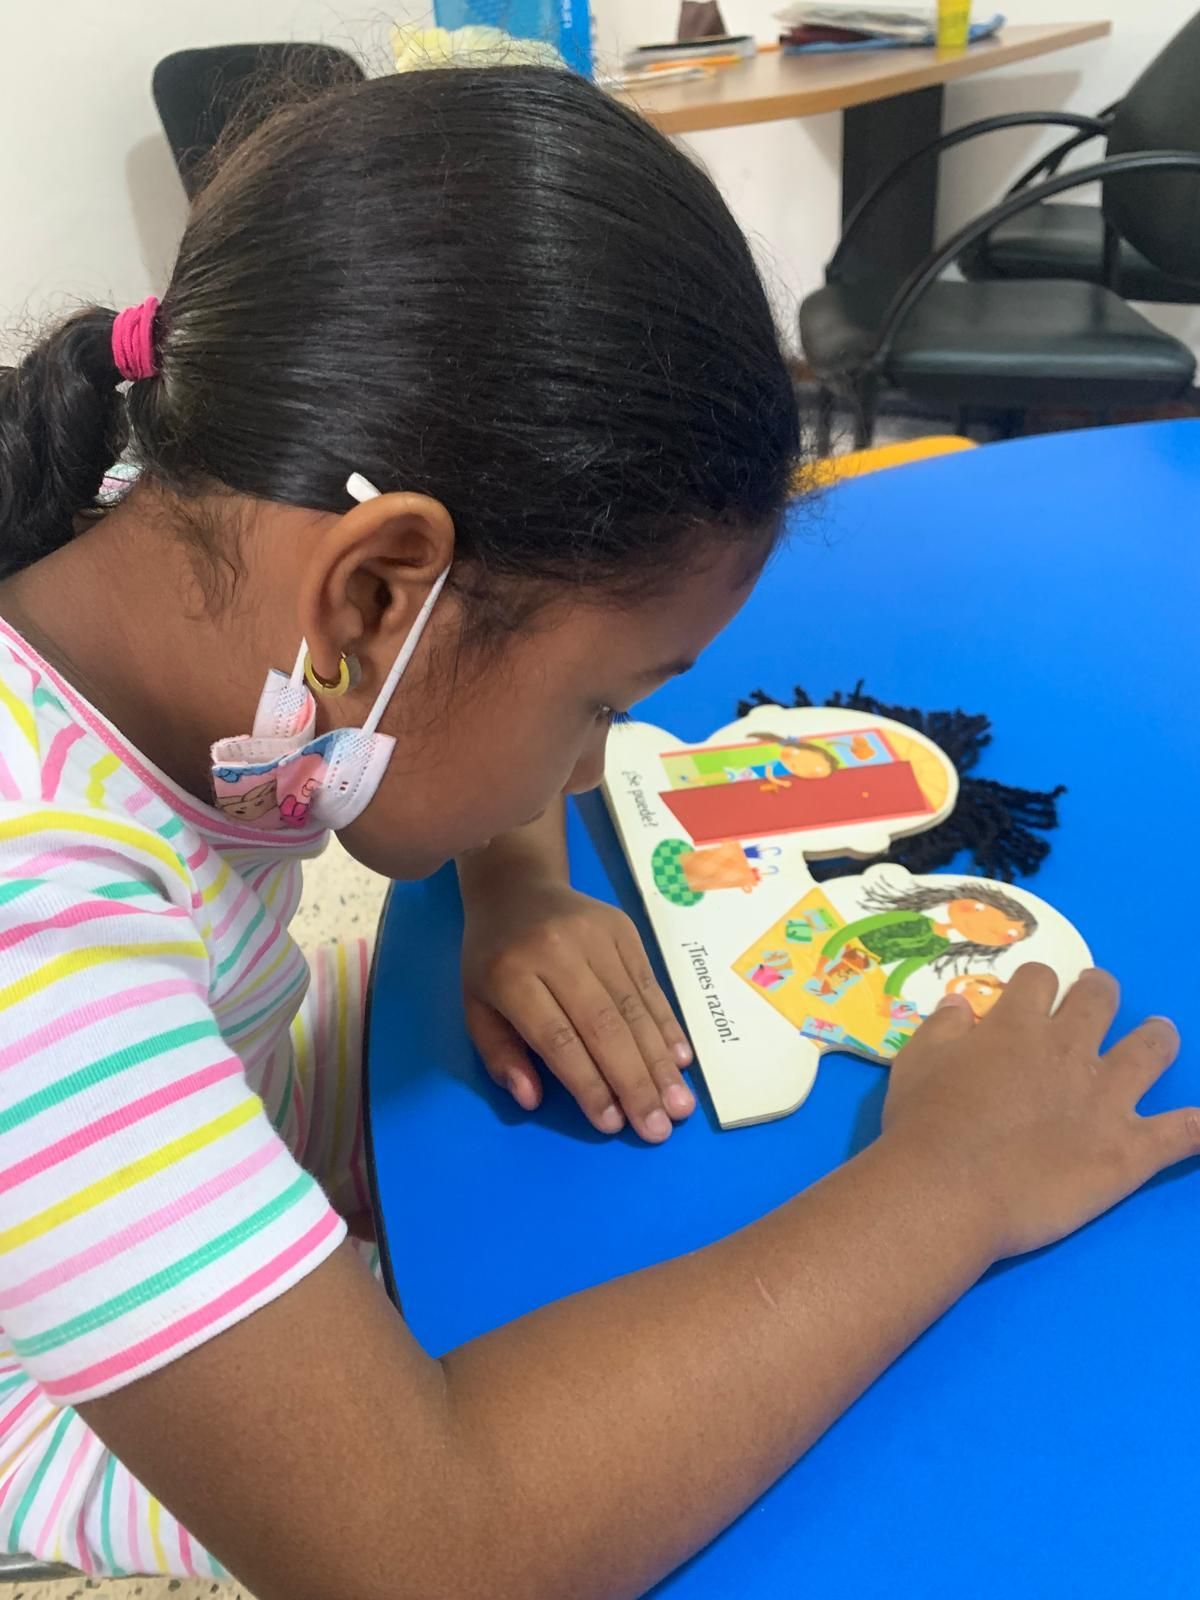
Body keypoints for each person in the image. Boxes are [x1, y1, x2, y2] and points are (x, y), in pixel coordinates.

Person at [0, 63, 1193, 1600]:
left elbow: (421, 691)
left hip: (236, 1136)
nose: (590, 775)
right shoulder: (35, 929)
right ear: (374, 592)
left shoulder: (170, 524)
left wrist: (513, 888)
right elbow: (429, 1551)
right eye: (598, 708)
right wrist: (953, 1180)